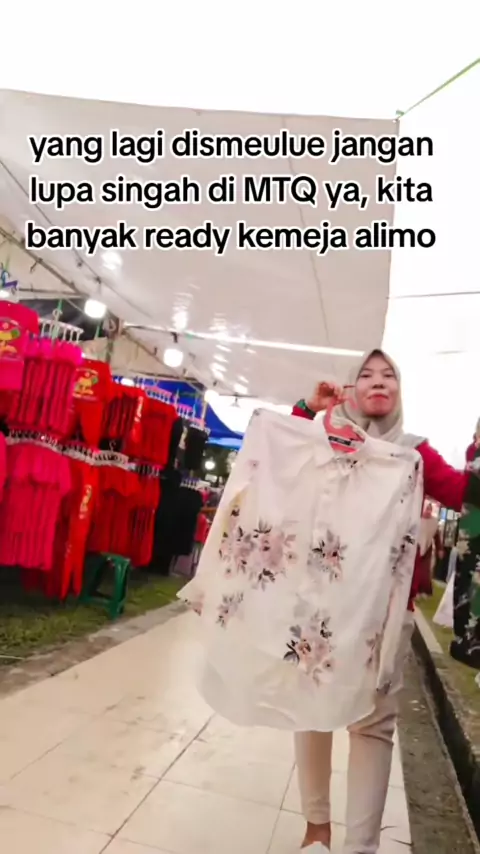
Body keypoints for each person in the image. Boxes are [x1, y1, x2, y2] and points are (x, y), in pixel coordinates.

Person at [292, 349, 480, 854]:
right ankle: (316, 830)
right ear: (351, 389)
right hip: (322, 602)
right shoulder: (327, 437)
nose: (379, 381)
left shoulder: (415, 454)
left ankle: (361, 848)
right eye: (366, 374)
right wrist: (308, 410)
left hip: (385, 613)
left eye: (389, 374)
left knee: (372, 725)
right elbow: (285, 455)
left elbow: (464, 492)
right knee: (310, 708)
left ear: (399, 390)